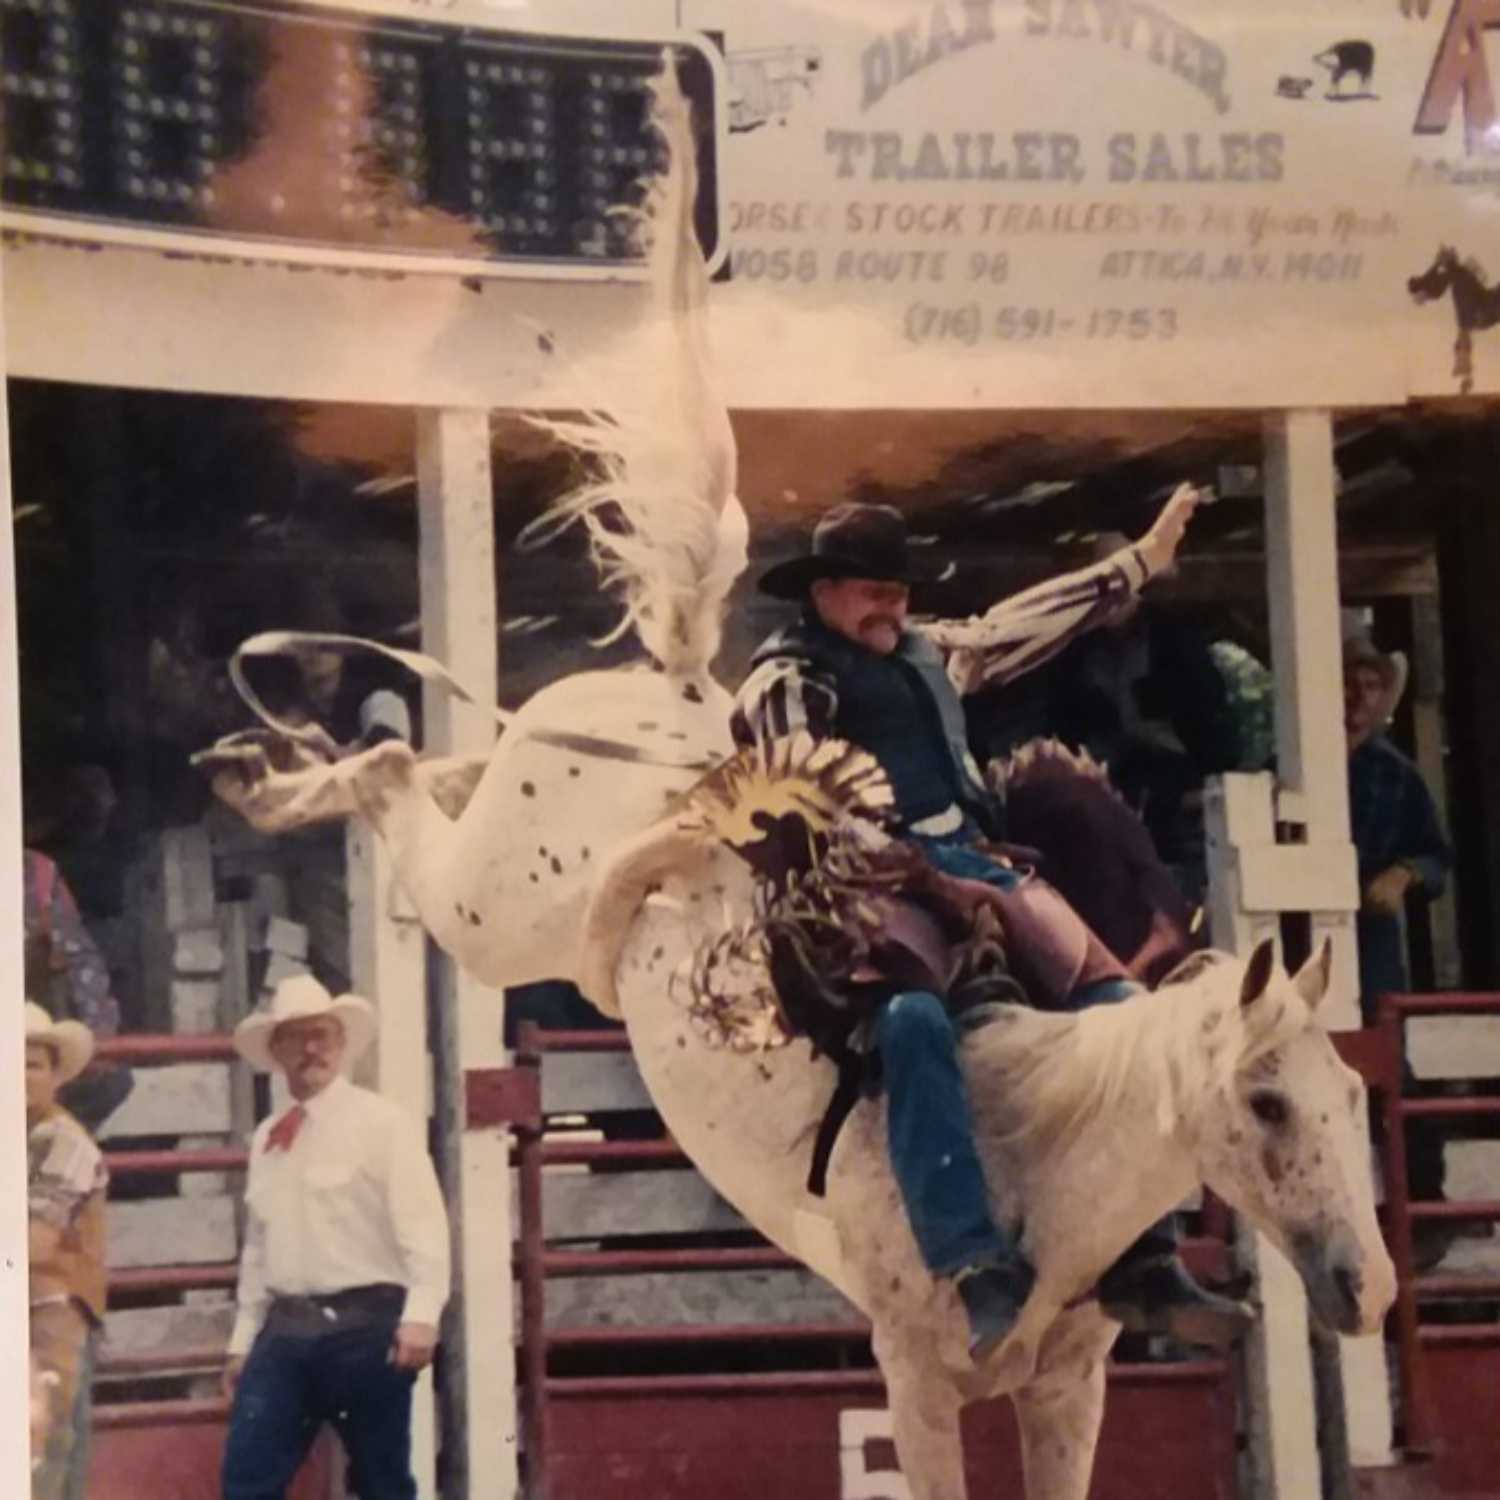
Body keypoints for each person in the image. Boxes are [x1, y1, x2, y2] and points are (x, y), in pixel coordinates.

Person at [731, 488, 1246, 1358]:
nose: (887, 602)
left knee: (1122, 1010)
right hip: (859, 888)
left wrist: (1138, 562)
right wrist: (914, 871)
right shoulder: (786, 682)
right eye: (867, 588)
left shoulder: (931, 653)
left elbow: (1016, 627)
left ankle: (1144, 1255)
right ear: (822, 593)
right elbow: (800, 803)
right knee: (913, 1023)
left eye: (895, 587)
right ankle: (973, 1265)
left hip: (978, 867)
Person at [221, 975, 450, 1500]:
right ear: (275, 1051)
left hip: (366, 1327)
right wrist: (241, 1342)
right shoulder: (267, 1137)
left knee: (380, 1482)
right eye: (295, 1037)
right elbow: (259, 1245)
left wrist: (422, 1316)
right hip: (286, 1329)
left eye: (322, 1034)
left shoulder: (382, 1124)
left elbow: (424, 1224)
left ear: (342, 1044)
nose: (311, 1049)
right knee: (247, 1477)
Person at [1343, 635, 1454, 1258]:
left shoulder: (1398, 775)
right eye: (1347, 681)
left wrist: (1404, 874)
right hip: (1300, 941)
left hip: (1374, 939)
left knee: (1394, 1065)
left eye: (1370, 684)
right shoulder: (1286, 760)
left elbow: (1439, 856)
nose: (1358, 696)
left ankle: (1426, 1213)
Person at [26, 1001, 109, 1500]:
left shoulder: (66, 1142)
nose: (16, 1077)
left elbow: (32, 1241)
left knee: (44, 1460)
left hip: (52, 1315)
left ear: (56, 1076)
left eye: (33, 1065)